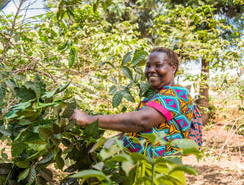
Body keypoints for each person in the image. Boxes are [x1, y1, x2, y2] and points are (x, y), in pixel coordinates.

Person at [70, 47, 202, 185]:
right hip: (134, 173)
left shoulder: (177, 93)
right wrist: (96, 146)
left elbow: (141, 121)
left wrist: (91, 120)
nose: (151, 70)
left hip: (161, 173)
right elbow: (131, 134)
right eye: (148, 66)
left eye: (158, 65)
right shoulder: (150, 100)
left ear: (173, 68)